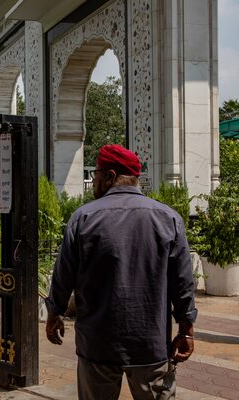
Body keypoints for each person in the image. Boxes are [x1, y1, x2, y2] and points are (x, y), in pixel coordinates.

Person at [45, 144, 197, 399]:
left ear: (110, 176)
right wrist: (186, 330)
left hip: (97, 344)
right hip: (150, 343)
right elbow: (183, 283)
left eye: (96, 174)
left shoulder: (83, 217)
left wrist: (54, 313)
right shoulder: (168, 218)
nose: (93, 180)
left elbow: (64, 275)